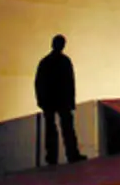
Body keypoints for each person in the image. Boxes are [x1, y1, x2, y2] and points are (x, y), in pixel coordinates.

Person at [35, 34, 87, 166]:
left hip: (51, 101)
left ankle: (52, 158)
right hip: (61, 101)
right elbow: (70, 83)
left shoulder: (46, 62)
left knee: (52, 129)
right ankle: (71, 154)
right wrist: (71, 102)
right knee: (67, 129)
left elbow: (39, 83)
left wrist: (41, 100)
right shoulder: (64, 61)